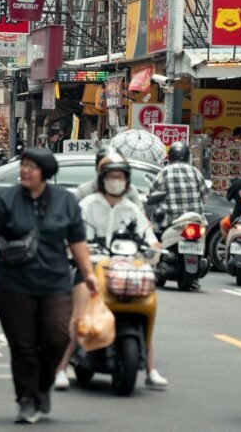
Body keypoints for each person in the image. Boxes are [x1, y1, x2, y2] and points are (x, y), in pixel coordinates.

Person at [0, 148, 96, 424]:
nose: (25, 171)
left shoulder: (66, 201)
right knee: (23, 345)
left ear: (46, 172)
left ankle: (44, 384)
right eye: (23, 165)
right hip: (13, 283)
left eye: (32, 166)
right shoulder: (5, 200)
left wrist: (88, 273)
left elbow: (77, 240)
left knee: (57, 337)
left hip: (55, 281)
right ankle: (27, 399)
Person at [54, 154, 168, 392]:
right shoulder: (88, 205)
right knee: (79, 315)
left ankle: (150, 369)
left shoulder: (132, 209)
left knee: (146, 312)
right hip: (91, 268)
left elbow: (150, 238)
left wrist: (156, 248)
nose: (116, 181)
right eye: (111, 176)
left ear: (127, 181)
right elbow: (74, 236)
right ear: (102, 179)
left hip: (127, 270)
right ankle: (62, 368)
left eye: (120, 177)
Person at [147, 142, 209, 220]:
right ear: (187, 156)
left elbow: (153, 190)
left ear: (170, 156)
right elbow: (205, 196)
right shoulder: (195, 171)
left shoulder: (165, 171)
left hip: (171, 219)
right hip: (195, 218)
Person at [74, 147, 139, 205]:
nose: (115, 179)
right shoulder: (84, 192)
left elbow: (139, 215)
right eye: (109, 175)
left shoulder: (131, 191)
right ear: (98, 168)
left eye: (119, 175)